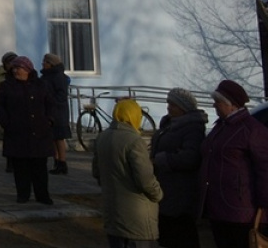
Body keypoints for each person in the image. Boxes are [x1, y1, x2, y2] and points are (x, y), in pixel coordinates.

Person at [200, 79, 268, 248]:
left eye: (218, 102)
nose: (214, 105)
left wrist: (263, 206)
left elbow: (265, 169)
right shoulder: (220, 127)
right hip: (218, 209)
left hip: (242, 212)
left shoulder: (252, 130)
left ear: (232, 105)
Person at [93, 99, 163, 247]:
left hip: (112, 212)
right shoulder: (134, 141)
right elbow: (145, 179)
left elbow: (96, 171)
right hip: (136, 214)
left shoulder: (102, 137)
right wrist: (158, 194)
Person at [149, 88, 207, 248]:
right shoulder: (168, 124)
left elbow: (190, 157)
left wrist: (160, 159)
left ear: (183, 107)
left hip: (181, 191)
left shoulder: (193, 127)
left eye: (172, 104)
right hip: (166, 189)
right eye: (168, 103)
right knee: (167, 234)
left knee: (181, 234)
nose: (168, 107)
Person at [0, 56, 54, 205]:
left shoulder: (40, 85)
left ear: (27, 69)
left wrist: (49, 120)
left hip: (39, 132)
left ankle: (42, 195)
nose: (15, 71)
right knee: (21, 167)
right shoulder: (7, 86)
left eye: (18, 68)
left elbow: (51, 104)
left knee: (39, 166)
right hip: (17, 132)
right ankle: (23, 194)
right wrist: (6, 123)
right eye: (13, 68)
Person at [42, 53, 71, 175]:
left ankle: (62, 162)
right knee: (52, 137)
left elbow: (61, 95)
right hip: (50, 110)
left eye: (45, 62)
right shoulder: (47, 76)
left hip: (58, 111)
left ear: (51, 64)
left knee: (59, 137)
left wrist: (50, 101)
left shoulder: (58, 76)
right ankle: (57, 161)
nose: (43, 64)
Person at [0, 51, 17, 172]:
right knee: (9, 137)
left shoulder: (20, 74)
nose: (12, 65)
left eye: (14, 62)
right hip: (6, 110)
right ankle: (10, 162)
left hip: (19, 110)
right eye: (9, 62)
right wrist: (0, 100)